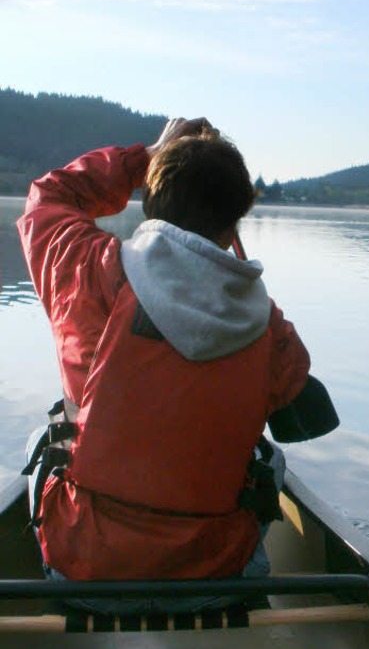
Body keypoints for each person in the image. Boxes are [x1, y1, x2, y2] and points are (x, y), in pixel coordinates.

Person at [17, 118, 310, 606]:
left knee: (39, 441)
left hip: (87, 576)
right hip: (215, 578)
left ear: (150, 203)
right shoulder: (265, 321)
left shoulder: (87, 269)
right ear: (235, 218)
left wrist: (143, 157)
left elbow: (48, 199)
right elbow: (295, 387)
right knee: (272, 460)